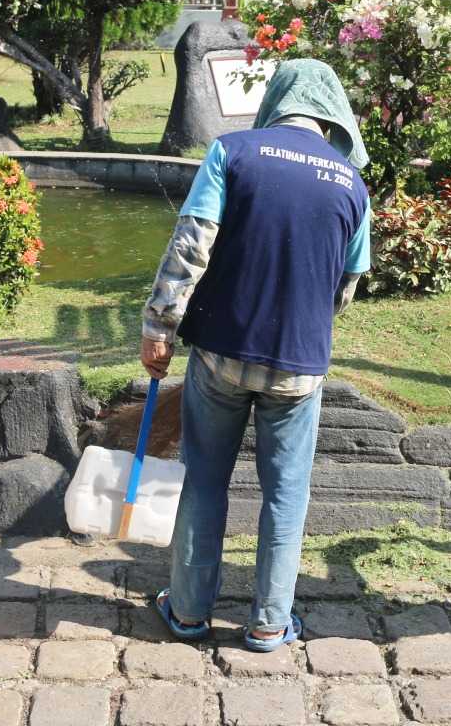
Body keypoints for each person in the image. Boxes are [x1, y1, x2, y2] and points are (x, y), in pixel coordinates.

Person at [140, 59, 371, 652]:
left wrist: (159, 325)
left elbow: (193, 242)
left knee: (204, 480)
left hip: (221, 353)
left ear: (277, 100)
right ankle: (269, 621)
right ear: (332, 113)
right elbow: (345, 286)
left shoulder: (232, 152)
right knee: (286, 493)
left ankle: (188, 612)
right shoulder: (353, 182)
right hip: (300, 364)